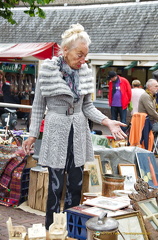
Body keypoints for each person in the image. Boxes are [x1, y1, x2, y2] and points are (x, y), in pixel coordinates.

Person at [22, 23, 127, 230]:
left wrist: (106, 121)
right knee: (55, 185)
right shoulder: (48, 72)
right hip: (55, 130)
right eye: (79, 55)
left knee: (76, 184)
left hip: (78, 131)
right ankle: (50, 228)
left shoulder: (86, 71)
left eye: (85, 55)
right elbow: (37, 106)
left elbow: (87, 106)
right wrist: (33, 135)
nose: (83, 60)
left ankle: (73, 228)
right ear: (65, 50)